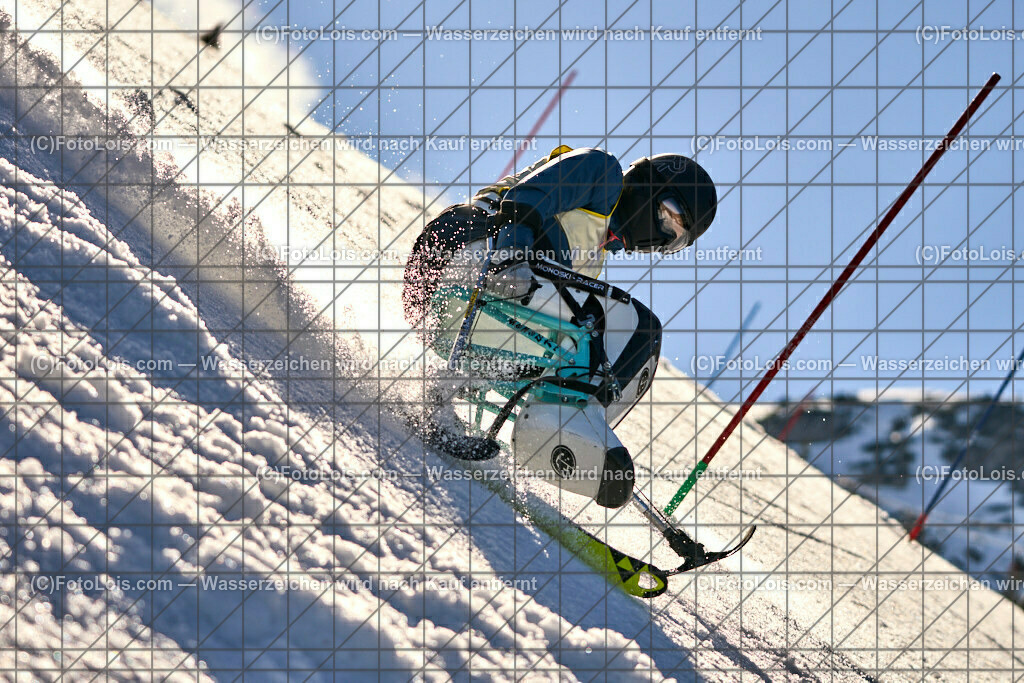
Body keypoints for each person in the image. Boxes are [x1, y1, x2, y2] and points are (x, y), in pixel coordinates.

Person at [403, 146, 717, 508]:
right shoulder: (603, 172)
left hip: (452, 310)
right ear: (649, 184)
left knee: (585, 351)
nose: (660, 239)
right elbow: (528, 195)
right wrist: (513, 254)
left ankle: (566, 425)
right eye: (668, 219)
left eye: (674, 242)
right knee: (637, 329)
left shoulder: (591, 257)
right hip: (469, 247)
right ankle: (569, 429)